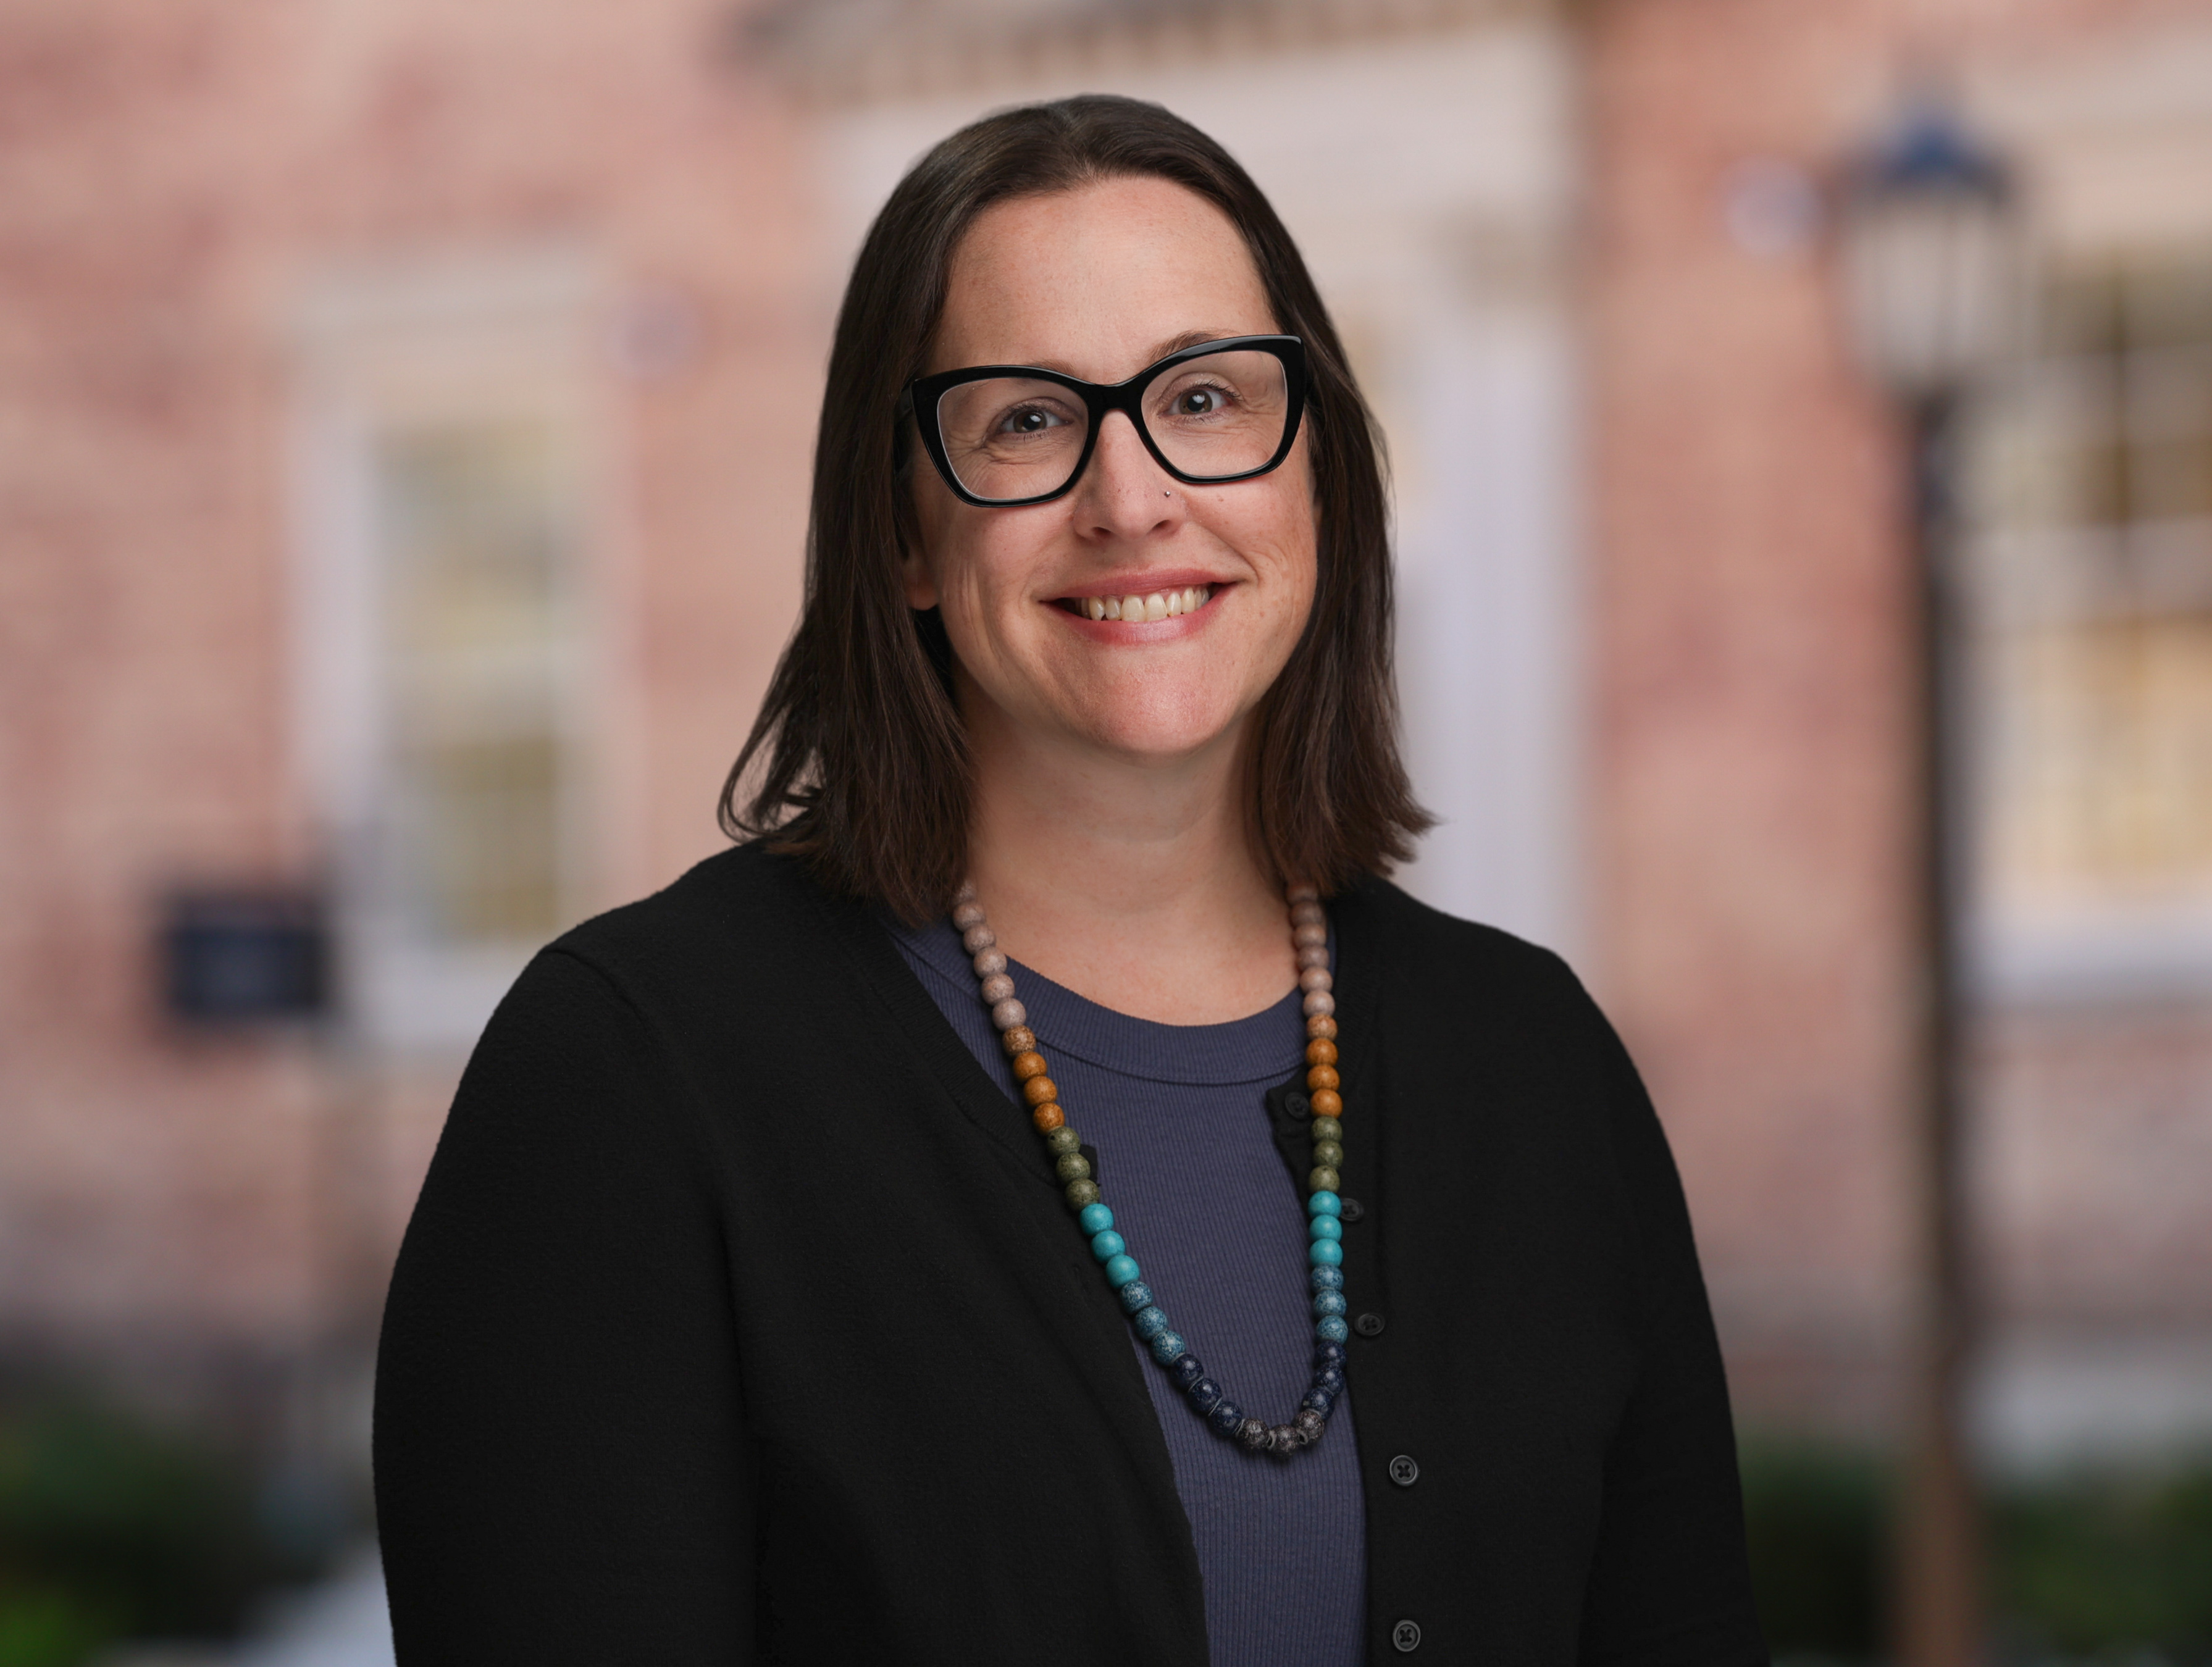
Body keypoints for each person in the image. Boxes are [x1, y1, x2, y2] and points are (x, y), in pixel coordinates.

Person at [374, 94, 1762, 1666]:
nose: (1131, 497)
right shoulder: (634, 1076)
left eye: (1210, 396)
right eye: (1026, 420)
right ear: (901, 530)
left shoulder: (1533, 1062)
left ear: (1317, 479)